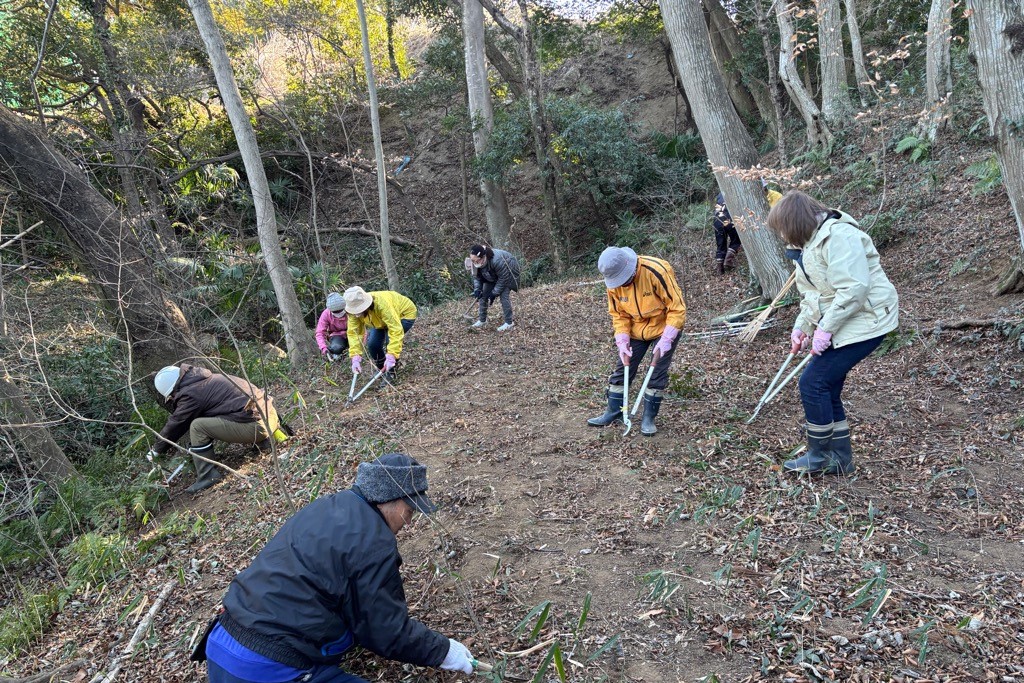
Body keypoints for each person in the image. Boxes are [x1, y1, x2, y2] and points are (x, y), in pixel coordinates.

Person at [195, 453, 477, 682]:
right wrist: (444, 651)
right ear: (392, 500)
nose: (410, 521)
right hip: (265, 668)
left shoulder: (326, 506)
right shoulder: (375, 542)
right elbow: (388, 632)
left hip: (222, 643)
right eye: (411, 509)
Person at [767, 190, 899, 475]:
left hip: (869, 318)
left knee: (813, 383)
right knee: (827, 386)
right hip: (849, 317)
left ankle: (819, 456)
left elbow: (854, 289)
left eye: (782, 230)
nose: (781, 237)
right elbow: (813, 295)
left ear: (795, 223)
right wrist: (802, 327)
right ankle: (841, 458)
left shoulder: (839, 237)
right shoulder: (808, 247)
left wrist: (824, 330)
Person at [587, 247, 687, 436]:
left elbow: (677, 308)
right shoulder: (613, 283)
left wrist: (666, 339)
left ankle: (649, 417)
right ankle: (613, 411)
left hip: (664, 327)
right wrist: (622, 339)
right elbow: (618, 313)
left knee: (656, 372)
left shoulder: (656, 270)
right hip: (635, 328)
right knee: (623, 368)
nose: (622, 284)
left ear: (631, 268)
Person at [148, 364, 282, 493]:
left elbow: (176, 424)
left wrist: (156, 450)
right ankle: (268, 442)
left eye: (171, 396)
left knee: (197, 426)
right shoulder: (207, 379)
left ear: (172, 390)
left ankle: (207, 476)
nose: (172, 399)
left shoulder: (191, 393)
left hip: (257, 427)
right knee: (229, 412)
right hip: (271, 416)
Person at [344, 286, 417, 382]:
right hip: (380, 322)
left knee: (389, 340)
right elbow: (354, 333)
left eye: (359, 311)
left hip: (404, 314)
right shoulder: (352, 312)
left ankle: (391, 372)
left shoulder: (382, 304)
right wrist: (355, 356)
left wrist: (392, 355)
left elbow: (395, 329)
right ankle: (382, 370)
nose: (357, 314)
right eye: (355, 311)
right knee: (373, 344)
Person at [713, 181, 783, 274]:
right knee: (737, 239)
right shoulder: (739, 194)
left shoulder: (722, 193)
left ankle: (720, 268)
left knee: (721, 243)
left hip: (717, 219)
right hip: (730, 219)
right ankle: (728, 260)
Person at [468, 244, 521, 332]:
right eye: (473, 261)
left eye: (476, 261)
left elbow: (503, 278)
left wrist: (494, 293)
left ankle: (509, 322)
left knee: (503, 296)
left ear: (483, 257)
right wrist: (477, 289)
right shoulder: (474, 261)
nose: (474, 263)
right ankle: (482, 320)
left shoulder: (497, 260)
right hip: (492, 275)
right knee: (483, 296)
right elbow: (476, 277)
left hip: (509, 274)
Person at [316, 292, 349, 361]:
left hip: (352, 333)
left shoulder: (350, 310)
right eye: (336, 312)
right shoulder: (326, 314)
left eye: (340, 310)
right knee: (336, 348)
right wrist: (323, 348)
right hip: (337, 336)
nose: (339, 313)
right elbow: (320, 333)